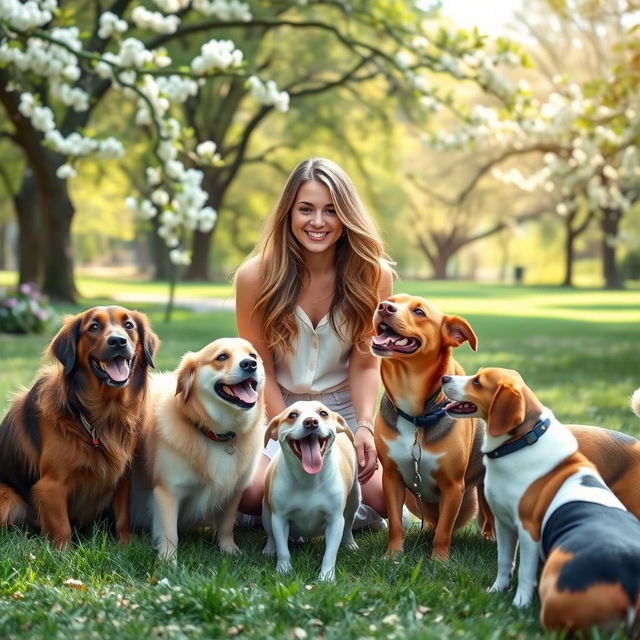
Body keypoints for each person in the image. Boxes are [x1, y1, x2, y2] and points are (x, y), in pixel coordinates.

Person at [234, 157, 393, 529]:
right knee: (252, 495)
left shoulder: (373, 274)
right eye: (306, 209)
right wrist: (283, 429)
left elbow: (367, 363)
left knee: (385, 497)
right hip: (276, 407)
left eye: (331, 211)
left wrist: (365, 427)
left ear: (346, 216)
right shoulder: (255, 275)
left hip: (341, 409)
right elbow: (260, 370)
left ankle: (329, 505)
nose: (318, 222)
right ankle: (313, 504)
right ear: (289, 213)